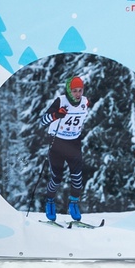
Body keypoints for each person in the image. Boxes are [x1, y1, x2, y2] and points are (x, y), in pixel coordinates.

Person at [40, 75, 90, 223]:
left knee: (77, 178)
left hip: (74, 143)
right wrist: (56, 115)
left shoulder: (85, 102)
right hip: (57, 142)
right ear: (69, 90)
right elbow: (43, 120)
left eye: (80, 90)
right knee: (56, 178)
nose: (78, 94)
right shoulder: (61, 101)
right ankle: (50, 201)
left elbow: (83, 110)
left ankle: (73, 203)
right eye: (74, 91)